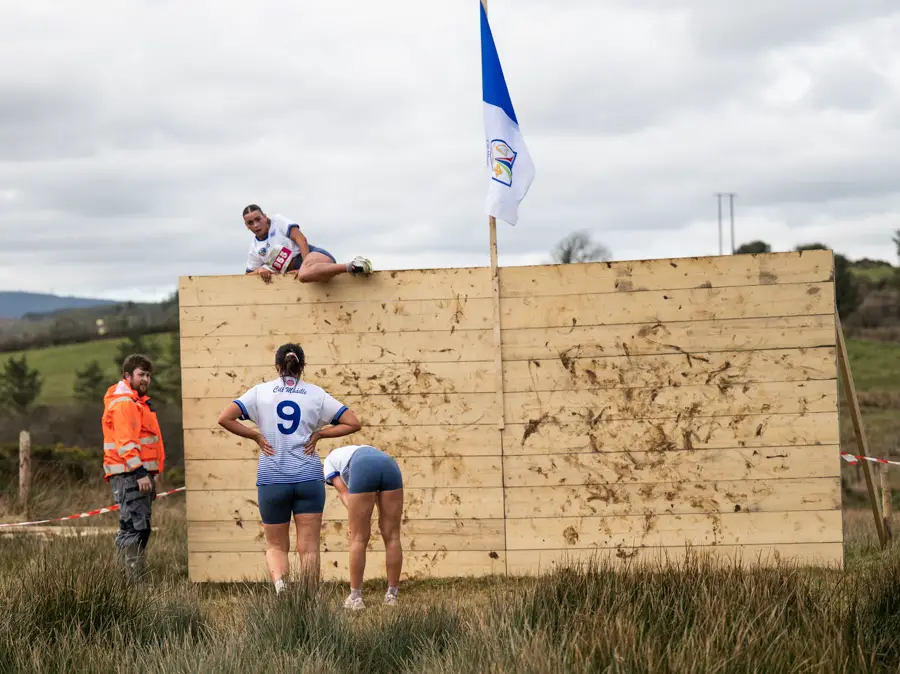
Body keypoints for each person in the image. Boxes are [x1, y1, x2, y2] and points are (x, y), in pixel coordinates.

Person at [216, 343, 362, 594]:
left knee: (276, 546)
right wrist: (319, 434)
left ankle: (282, 591)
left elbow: (224, 418)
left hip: (272, 479)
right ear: (302, 367)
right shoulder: (316, 394)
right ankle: (307, 601)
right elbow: (353, 422)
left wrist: (256, 436)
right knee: (309, 548)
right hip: (308, 478)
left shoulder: (260, 392)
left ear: (277, 366)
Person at [101, 354, 165, 580]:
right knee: (133, 528)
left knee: (139, 528)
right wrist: (139, 472)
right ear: (127, 376)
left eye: (148, 375)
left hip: (136, 473)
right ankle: (130, 584)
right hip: (130, 474)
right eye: (141, 375)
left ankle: (131, 580)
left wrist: (152, 472)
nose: (145, 379)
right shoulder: (125, 403)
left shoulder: (137, 402)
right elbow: (126, 442)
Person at [322, 444, 404, 610]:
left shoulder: (328, 463)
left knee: (358, 537)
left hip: (363, 467)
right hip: (389, 464)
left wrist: (357, 519)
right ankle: (392, 596)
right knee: (392, 536)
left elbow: (343, 492)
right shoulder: (360, 450)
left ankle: (356, 598)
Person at [242, 204, 373, 283]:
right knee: (307, 276)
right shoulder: (255, 248)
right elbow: (247, 276)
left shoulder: (277, 221)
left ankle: (354, 265)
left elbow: (301, 239)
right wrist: (260, 270)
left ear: (265, 217)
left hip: (310, 256)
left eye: (258, 219)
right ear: (246, 226)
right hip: (307, 273)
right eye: (250, 223)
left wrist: (304, 266)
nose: (256, 225)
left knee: (304, 274)